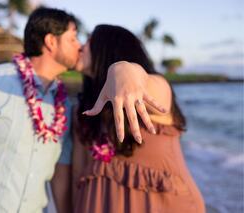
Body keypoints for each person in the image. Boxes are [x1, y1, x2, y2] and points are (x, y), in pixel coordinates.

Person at [0, 8, 164, 213]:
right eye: (72, 38)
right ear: (51, 42)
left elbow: (61, 173)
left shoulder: (64, 107)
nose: (79, 46)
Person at [71, 24, 206, 213]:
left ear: (108, 50)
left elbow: (147, 85)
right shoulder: (84, 111)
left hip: (162, 205)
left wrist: (124, 70)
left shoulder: (157, 88)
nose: (81, 47)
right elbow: (78, 172)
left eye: (89, 42)